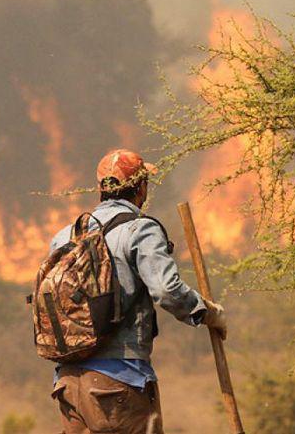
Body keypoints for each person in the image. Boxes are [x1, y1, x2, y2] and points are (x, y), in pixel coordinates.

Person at [49, 148, 227, 434]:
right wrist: (207, 312)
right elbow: (168, 291)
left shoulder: (64, 236)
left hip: (68, 384)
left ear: (101, 189)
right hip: (119, 383)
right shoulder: (139, 230)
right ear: (141, 188)